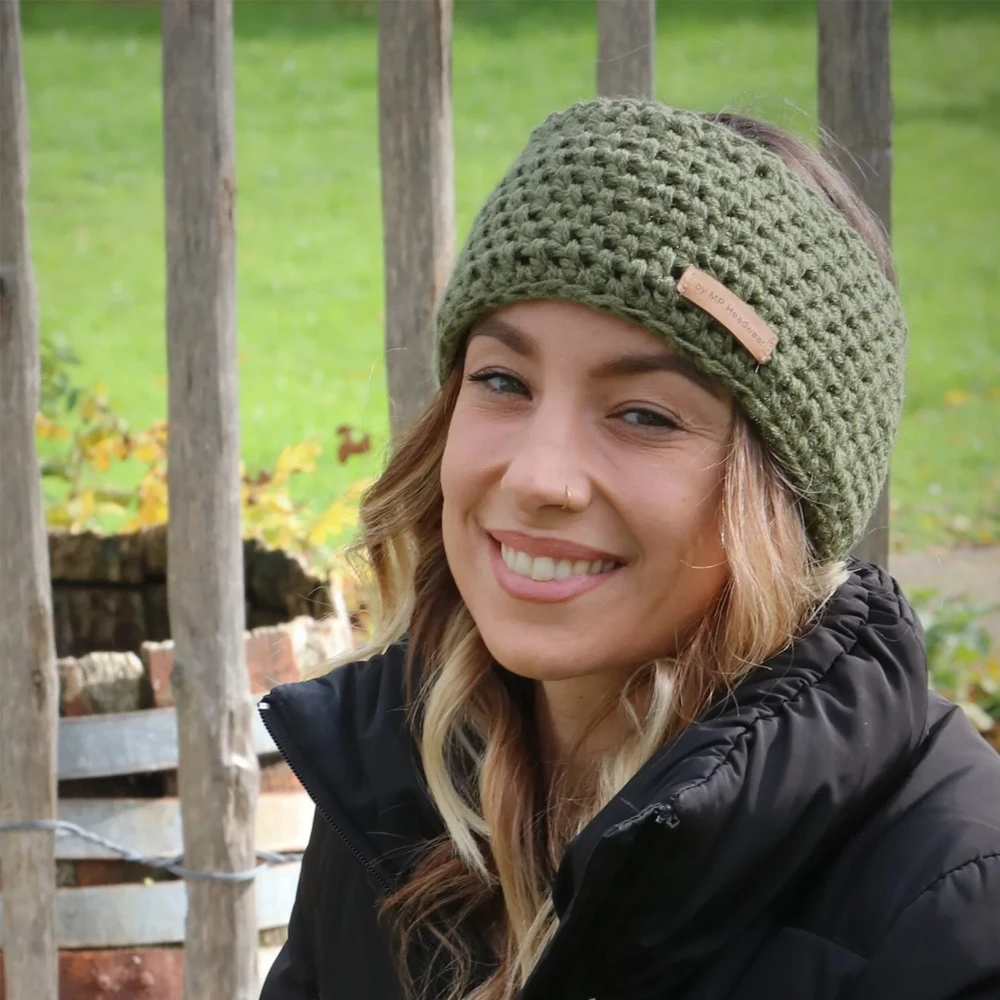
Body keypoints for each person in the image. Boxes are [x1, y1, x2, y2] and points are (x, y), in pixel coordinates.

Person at [258, 99, 1000, 1000]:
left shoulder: (955, 912)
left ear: (784, 495)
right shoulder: (398, 784)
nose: (540, 476)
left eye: (643, 415)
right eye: (503, 380)